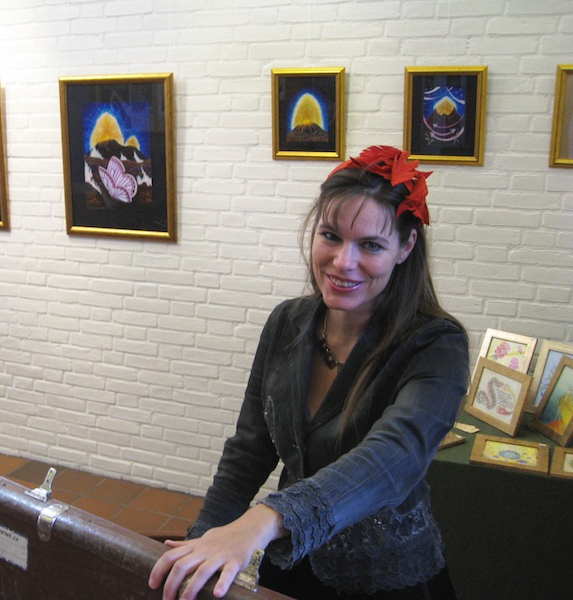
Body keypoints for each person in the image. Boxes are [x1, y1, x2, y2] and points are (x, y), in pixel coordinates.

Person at [148, 145, 469, 600]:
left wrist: (264, 520)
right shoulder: (288, 322)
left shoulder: (436, 344)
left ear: (405, 247)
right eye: (331, 236)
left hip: (385, 577)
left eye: (371, 245)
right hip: (292, 562)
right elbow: (248, 452)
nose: (343, 262)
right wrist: (203, 542)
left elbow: (394, 456)